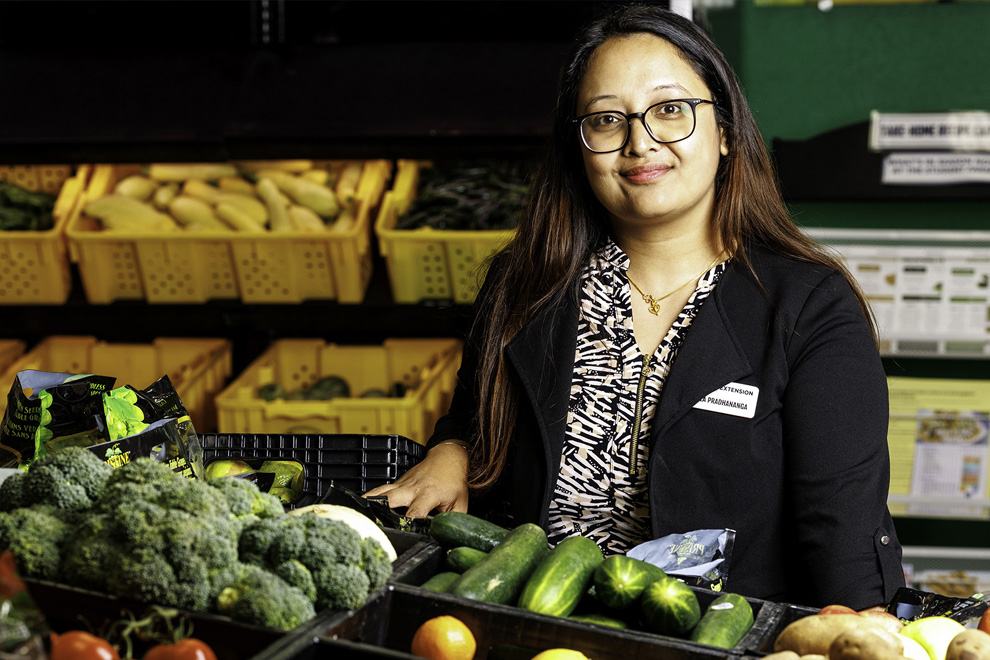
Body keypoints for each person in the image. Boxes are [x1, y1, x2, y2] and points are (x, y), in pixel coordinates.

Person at [365, 3, 904, 609]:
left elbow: (842, 523)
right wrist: (451, 450)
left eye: (670, 110)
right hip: (540, 630)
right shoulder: (528, 283)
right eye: (605, 120)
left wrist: (862, 631)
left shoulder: (807, 305)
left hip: (720, 643)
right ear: (579, 145)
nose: (640, 143)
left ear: (725, 131)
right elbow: (476, 415)